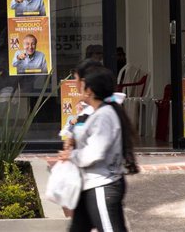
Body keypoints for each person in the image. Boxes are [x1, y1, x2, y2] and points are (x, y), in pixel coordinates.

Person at [58, 66, 138, 232]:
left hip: (102, 185)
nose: (77, 86)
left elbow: (94, 153)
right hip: (91, 185)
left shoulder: (104, 116)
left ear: (90, 91)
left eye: (81, 84)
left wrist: (71, 155)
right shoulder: (99, 112)